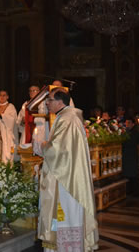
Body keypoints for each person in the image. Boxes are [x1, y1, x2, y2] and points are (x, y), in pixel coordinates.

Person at [37, 88, 98, 251]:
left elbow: (57, 150)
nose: (47, 104)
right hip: (69, 175)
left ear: (60, 101)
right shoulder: (68, 117)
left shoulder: (67, 119)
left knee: (65, 214)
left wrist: (42, 145)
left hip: (66, 180)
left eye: (49, 100)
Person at [0, 90, 18, 163]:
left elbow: (13, 119)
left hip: (5, 134)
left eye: (4, 95)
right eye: (0, 95)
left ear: (7, 97)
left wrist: (1, 116)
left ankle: (5, 168)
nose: (2, 97)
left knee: (5, 151)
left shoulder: (10, 106)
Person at [122, 117, 139, 195]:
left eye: (129, 123)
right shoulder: (125, 132)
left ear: (133, 124)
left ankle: (135, 191)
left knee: (132, 174)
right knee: (127, 173)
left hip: (132, 154)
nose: (127, 124)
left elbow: (132, 142)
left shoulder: (135, 132)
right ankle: (128, 190)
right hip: (126, 154)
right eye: (126, 123)